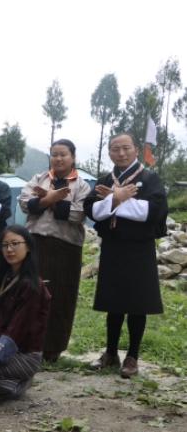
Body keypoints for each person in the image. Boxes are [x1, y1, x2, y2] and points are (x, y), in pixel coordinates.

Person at [84, 133, 168, 378]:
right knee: (114, 302)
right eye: (115, 149)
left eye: (126, 148)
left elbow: (155, 210)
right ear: (109, 152)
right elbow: (91, 210)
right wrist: (116, 198)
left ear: (136, 150)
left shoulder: (150, 179)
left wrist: (114, 201)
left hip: (139, 248)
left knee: (137, 303)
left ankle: (132, 356)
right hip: (113, 247)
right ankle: (110, 353)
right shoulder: (104, 179)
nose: (121, 153)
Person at [19, 139, 91, 363]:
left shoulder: (81, 185)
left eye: (63, 154)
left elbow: (79, 214)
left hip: (66, 247)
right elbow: (24, 202)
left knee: (62, 297)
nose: (58, 159)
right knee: (32, 294)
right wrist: (50, 199)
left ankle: (53, 348)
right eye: (54, 154)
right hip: (35, 243)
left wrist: (47, 200)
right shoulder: (39, 178)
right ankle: (29, 344)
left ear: (73, 157)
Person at [0, 225, 50, 402]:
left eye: (15, 244)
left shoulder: (33, 287)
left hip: (22, 355)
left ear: (28, 247)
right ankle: (5, 384)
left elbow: (17, 329)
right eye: (5, 245)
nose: (9, 249)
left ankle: (11, 387)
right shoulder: (5, 276)